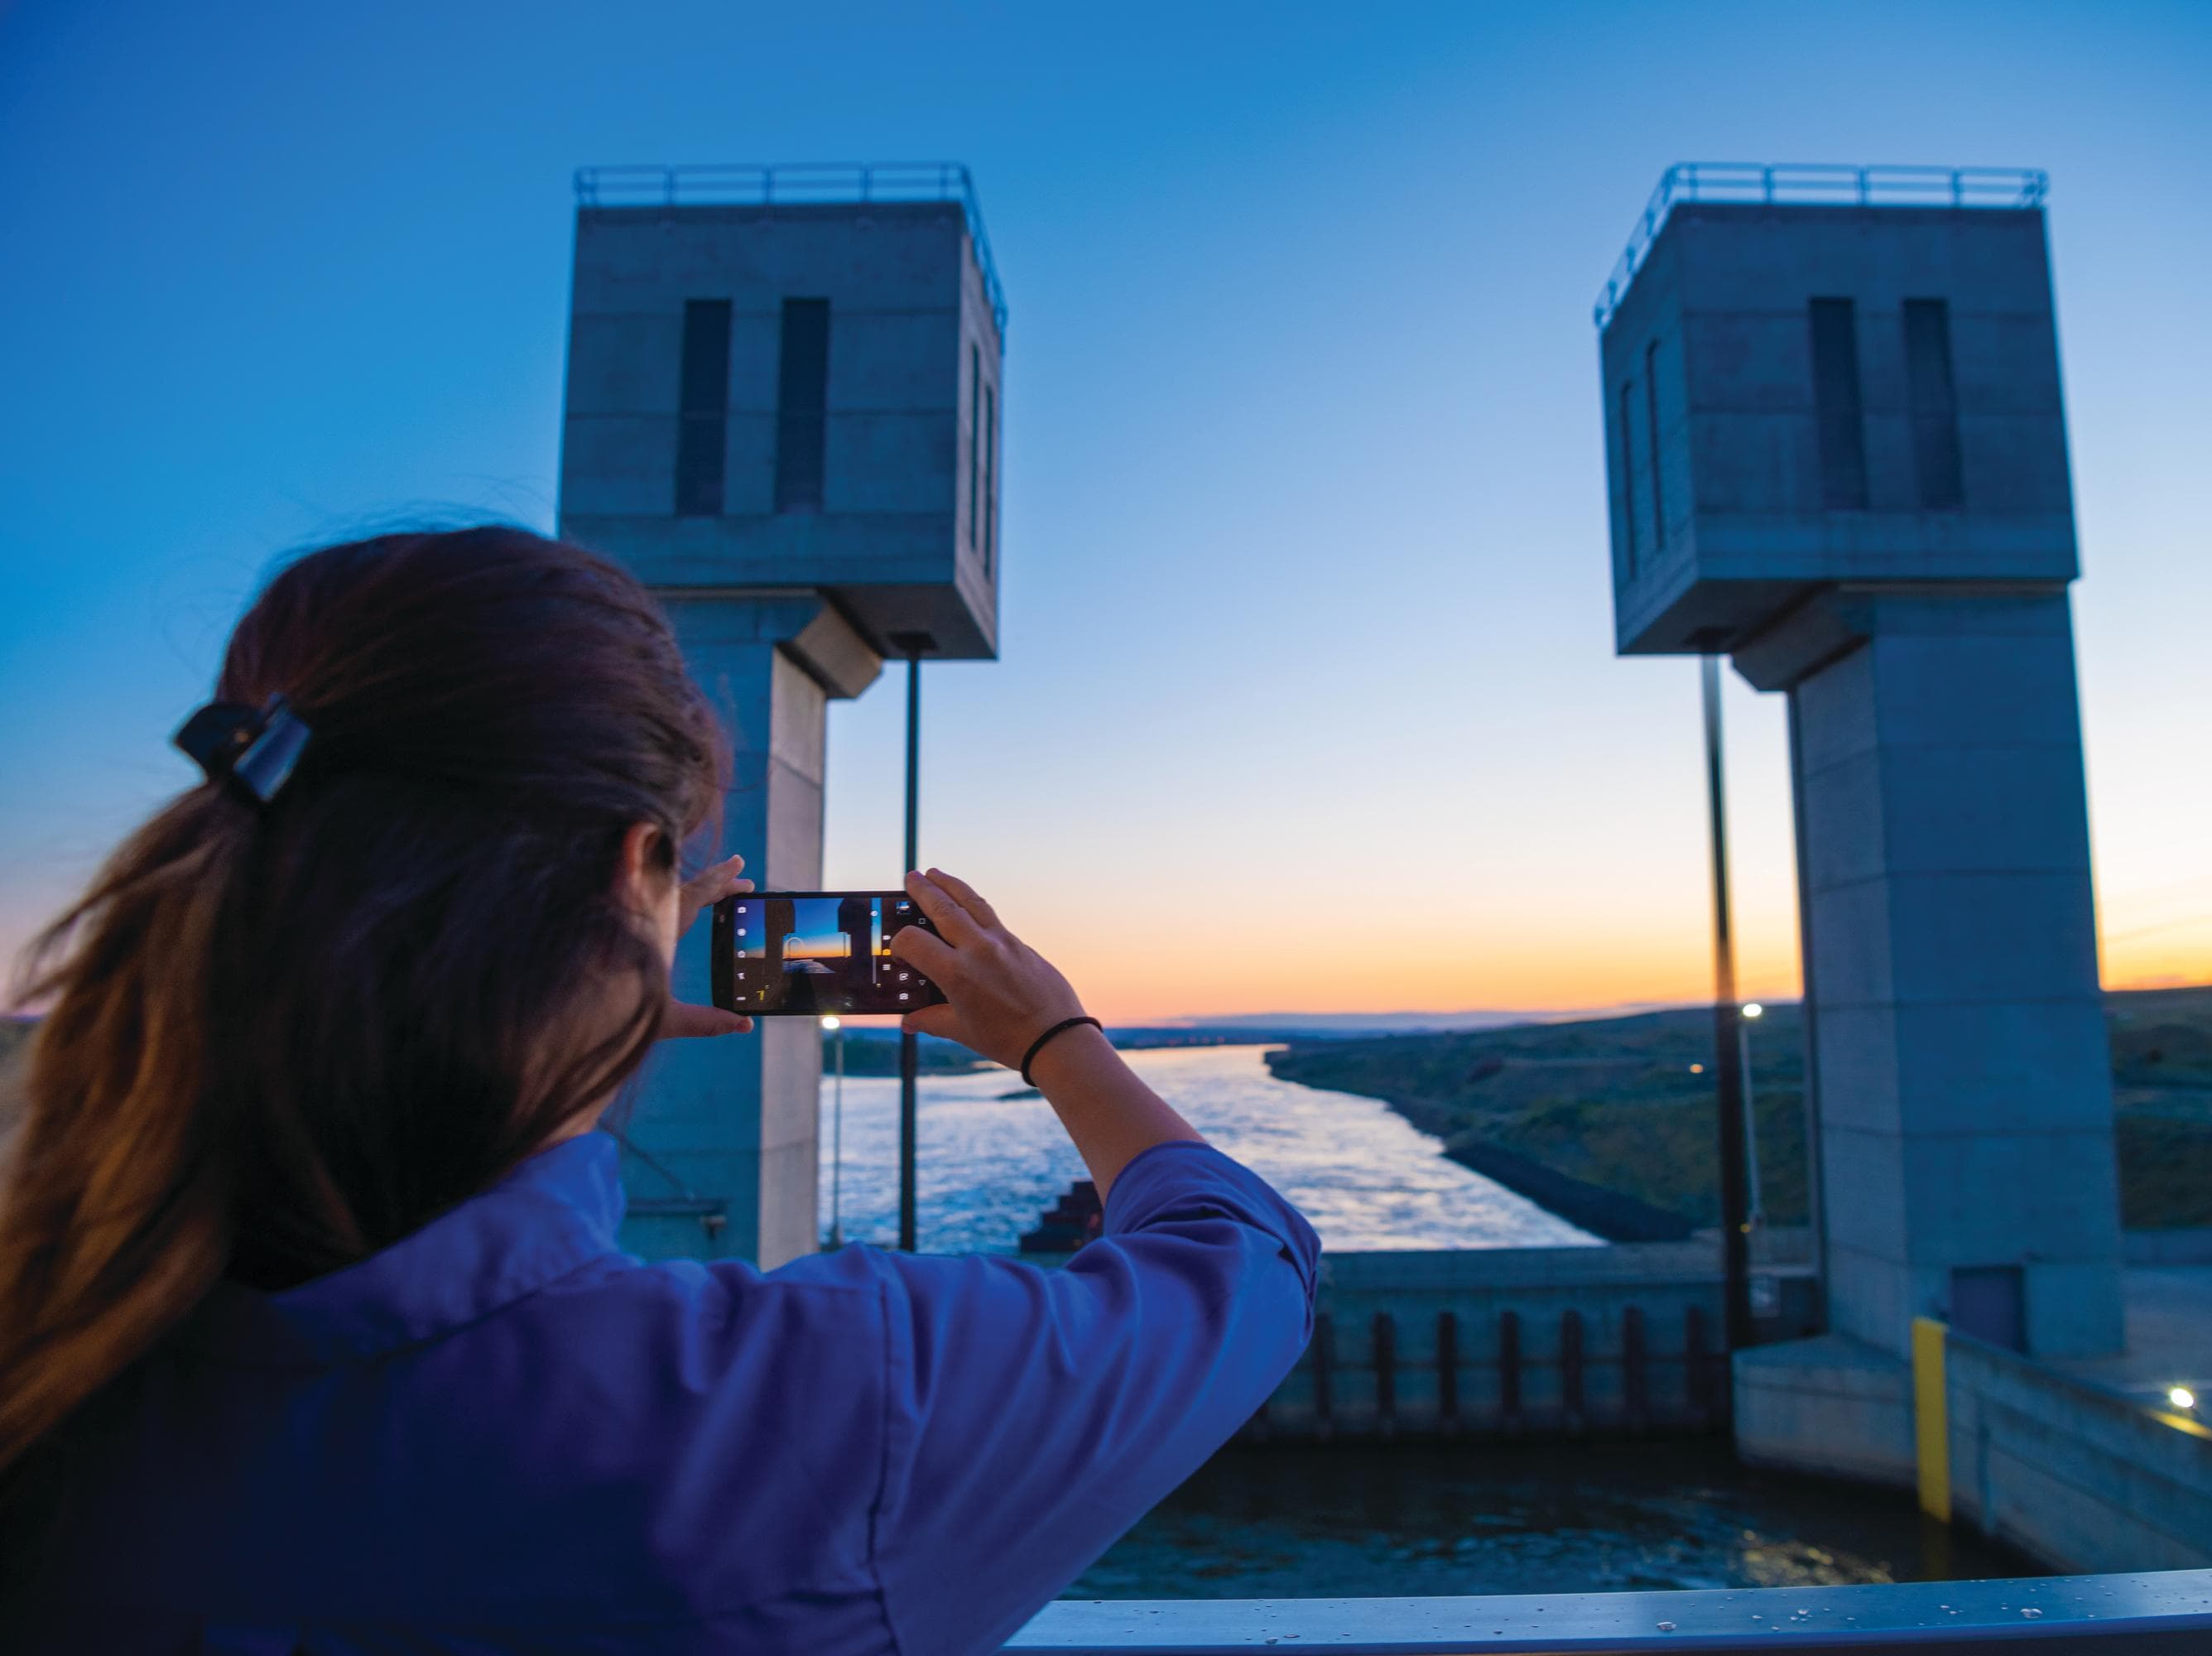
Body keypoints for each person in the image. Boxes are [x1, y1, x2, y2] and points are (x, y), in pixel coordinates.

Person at [0, 527, 1320, 1654]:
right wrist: (1057, 1039)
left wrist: (578, 998)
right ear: (642, 864)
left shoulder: (59, 1356)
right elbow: (1246, 1261)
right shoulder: (814, 1404)